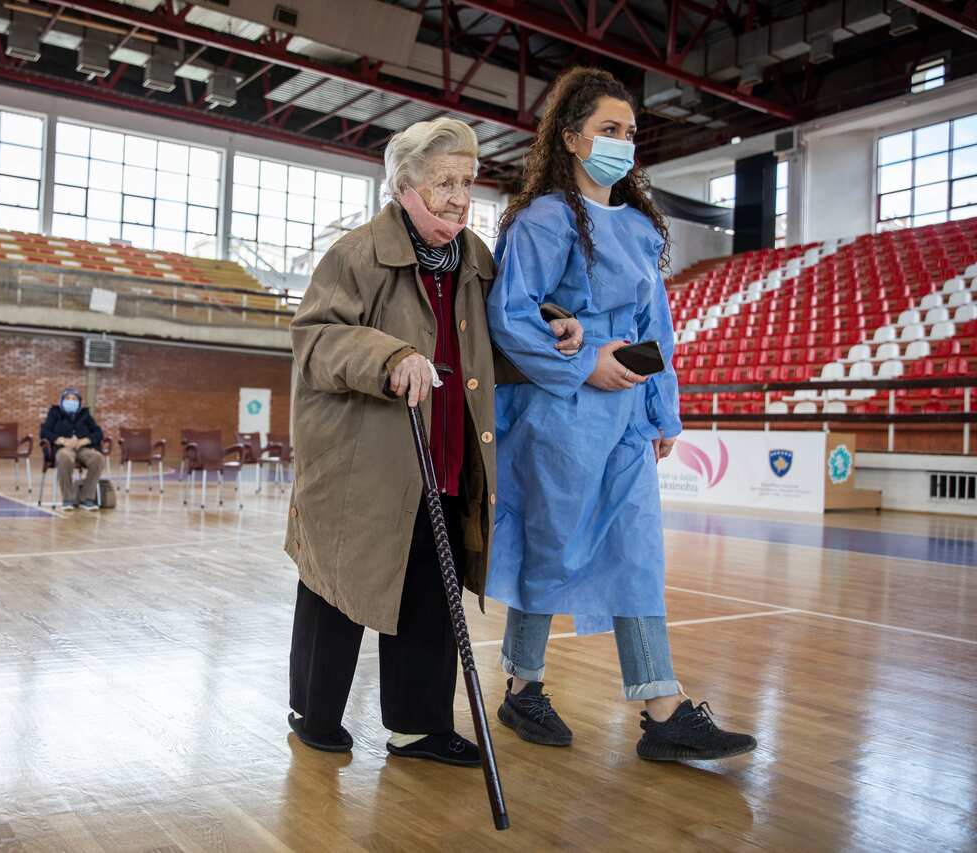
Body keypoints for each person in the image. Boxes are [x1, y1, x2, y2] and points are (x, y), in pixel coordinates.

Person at [284, 117, 582, 766]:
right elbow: (317, 339)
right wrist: (389, 356)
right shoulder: (359, 253)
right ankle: (315, 710)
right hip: (363, 465)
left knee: (431, 590)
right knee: (339, 585)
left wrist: (548, 332)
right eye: (444, 180)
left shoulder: (475, 261)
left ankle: (418, 726)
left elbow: (497, 343)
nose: (458, 194)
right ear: (407, 184)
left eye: (467, 181)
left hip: (444, 456)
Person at [485, 67, 757, 762]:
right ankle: (523, 684)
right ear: (571, 138)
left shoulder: (638, 228)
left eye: (630, 133)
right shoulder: (542, 220)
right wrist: (583, 363)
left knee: (639, 552)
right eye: (608, 130)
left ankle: (662, 707)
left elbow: (656, 327)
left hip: (627, 418)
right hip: (560, 415)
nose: (622, 143)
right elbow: (512, 316)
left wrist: (662, 411)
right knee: (551, 546)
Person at [40, 388, 105, 512]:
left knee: (98, 458)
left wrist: (84, 441)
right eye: (68, 398)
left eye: (74, 399)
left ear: (79, 402)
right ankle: (68, 499)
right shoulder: (55, 413)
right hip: (63, 448)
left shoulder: (85, 414)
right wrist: (63, 440)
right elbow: (44, 432)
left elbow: (98, 432)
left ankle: (87, 498)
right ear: (62, 401)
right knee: (64, 457)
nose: (71, 401)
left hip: (82, 448)